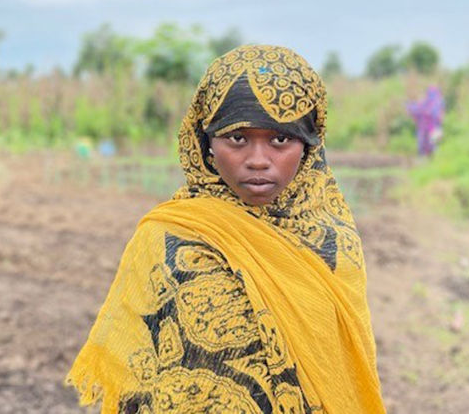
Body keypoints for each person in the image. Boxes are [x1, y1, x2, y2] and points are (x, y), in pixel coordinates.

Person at [66, 45, 385, 413]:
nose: (258, 161)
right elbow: (143, 383)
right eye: (237, 138)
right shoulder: (168, 237)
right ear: (206, 143)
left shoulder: (333, 243)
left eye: (280, 139)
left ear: (309, 145)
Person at [406, 85, 445, 156]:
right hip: (434, 127)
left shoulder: (428, 103)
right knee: (434, 146)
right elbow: (441, 115)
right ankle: (432, 159)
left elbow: (416, 111)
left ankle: (427, 158)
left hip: (427, 128)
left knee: (427, 146)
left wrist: (410, 106)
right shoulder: (439, 102)